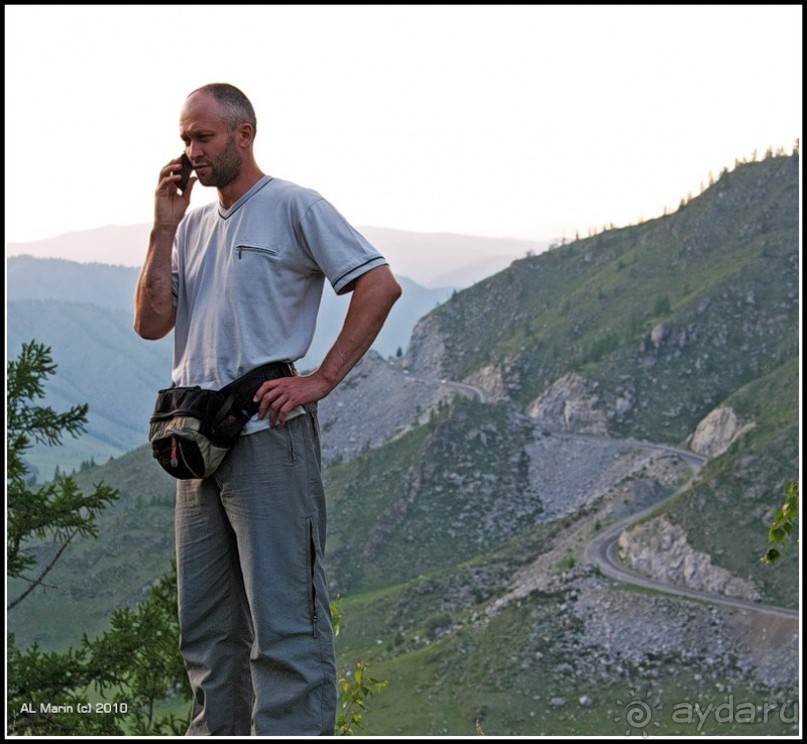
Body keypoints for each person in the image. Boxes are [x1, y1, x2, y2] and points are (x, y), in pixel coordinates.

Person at [133, 82, 402, 736]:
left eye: (203, 137)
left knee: (285, 625)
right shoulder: (190, 226)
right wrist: (163, 227)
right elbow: (149, 323)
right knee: (208, 632)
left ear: (243, 134)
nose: (191, 151)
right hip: (194, 445)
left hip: (268, 437)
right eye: (184, 139)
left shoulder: (292, 207)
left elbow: (378, 282)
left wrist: (320, 380)